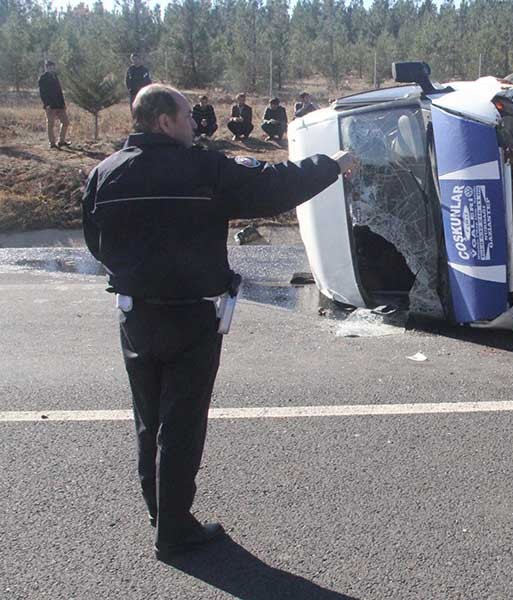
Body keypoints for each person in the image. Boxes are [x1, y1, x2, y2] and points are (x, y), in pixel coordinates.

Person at [81, 84, 356, 560]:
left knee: (149, 419)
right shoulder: (203, 169)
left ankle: (158, 509)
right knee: (182, 424)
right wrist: (331, 165)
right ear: (164, 121)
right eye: (188, 116)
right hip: (191, 316)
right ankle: (174, 530)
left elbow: (95, 243)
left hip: (136, 315)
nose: (195, 124)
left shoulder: (104, 174)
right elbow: (273, 186)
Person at [38, 60, 70, 149]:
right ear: (46, 68)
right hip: (50, 106)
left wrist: (63, 104)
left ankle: (61, 141)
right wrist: (46, 104)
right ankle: (52, 144)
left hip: (59, 105)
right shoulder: (43, 78)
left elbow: (59, 91)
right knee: (50, 124)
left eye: (53, 67)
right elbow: (42, 93)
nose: (52, 69)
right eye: (49, 67)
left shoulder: (55, 76)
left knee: (66, 122)